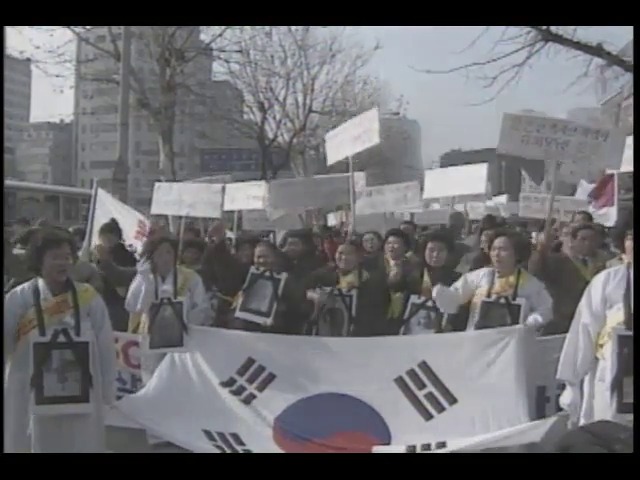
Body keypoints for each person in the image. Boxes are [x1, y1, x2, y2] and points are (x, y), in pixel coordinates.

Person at [4, 228, 116, 453]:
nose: (63, 263)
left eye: (67, 257)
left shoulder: (89, 298)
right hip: (31, 392)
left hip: (81, 391)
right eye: (55, 257)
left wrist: (107, 390)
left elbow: (105, 345)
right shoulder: (19, 298)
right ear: (39, 260)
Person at [556, 223, 633, 427]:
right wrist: (572, 383)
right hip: (611, 375)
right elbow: (584, 331)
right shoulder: (608, 280)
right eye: (630, 238)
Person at [433, 229, 553, 331]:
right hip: (477, 343)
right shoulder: (480, 276)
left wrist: (528, 324)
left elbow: (546, 309)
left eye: (503, 249)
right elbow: (456, 297)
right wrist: (442, 294)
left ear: (517, 254)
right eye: (494, 249)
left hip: (509, 347)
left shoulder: (530, 283)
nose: (497, 254)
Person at [125, 235, 209, 381]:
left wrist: (185, 323)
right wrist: (147, 284)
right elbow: (132, 306)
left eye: (169, 252)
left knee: (179, 379)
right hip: (150, 338)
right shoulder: (144, 276)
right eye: (159, 253)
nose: (165, 257)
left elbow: (201, 307)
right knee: (152, 380)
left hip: (181, 339)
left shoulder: (190, 277)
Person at [529, 223, 608, 335]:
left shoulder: (604, 263)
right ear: (573, 240)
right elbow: (536, 269)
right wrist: (541, 249)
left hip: (590, 321)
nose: (588, 243)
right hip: (562, 321)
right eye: (583, 239)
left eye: (592, 240)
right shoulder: (558, 261)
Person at [305, 239, 391, 336]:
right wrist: (312, 295)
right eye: (340, 253)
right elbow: (305, 287)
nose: (344, 258)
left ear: (359, 257)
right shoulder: (323, 274)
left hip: (359, 334)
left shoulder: (371, 280)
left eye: (349, 254)